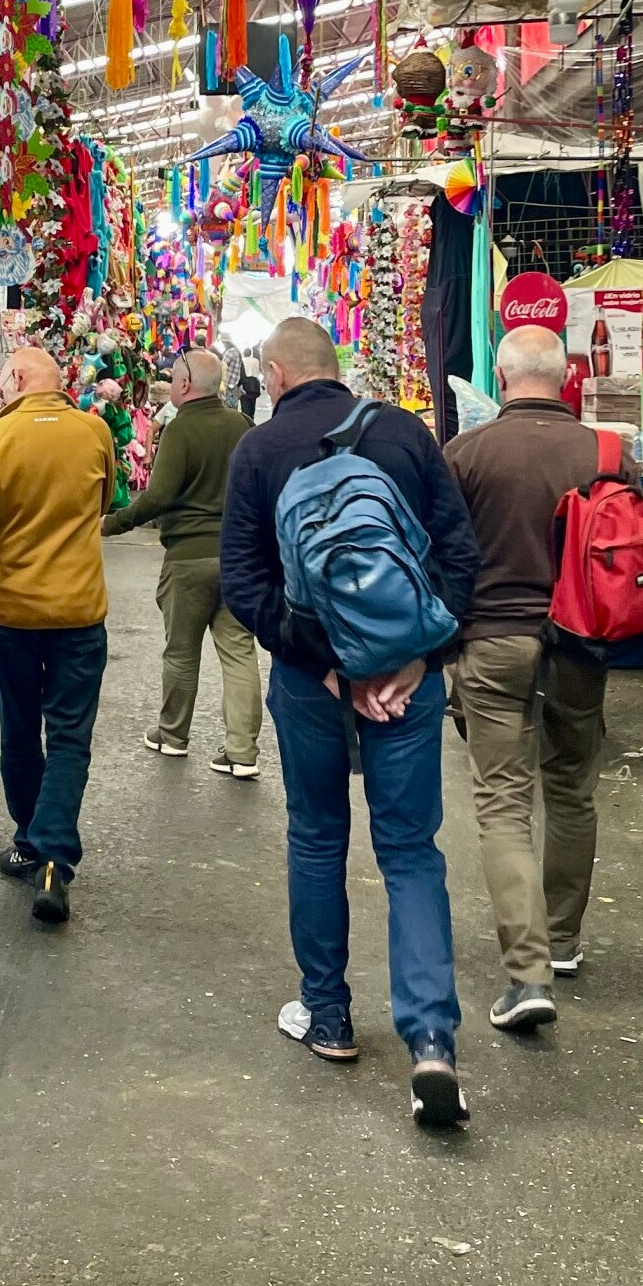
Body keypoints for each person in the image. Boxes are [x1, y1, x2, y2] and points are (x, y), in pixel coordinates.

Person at [220, 318, 481, 1128]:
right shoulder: (404, 435)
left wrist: (328, 665)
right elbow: (459, 557)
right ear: (336, 369)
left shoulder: (258, 451)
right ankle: (431, 1040)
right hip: (409, 681)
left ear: (275, 374)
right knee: (410, 852)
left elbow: (244, 584)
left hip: (311, 683)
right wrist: (419, 662)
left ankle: (327, 1015)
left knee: (316, 837)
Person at [444, 324, 614, 1035]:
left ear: (502, 378)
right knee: (571, 789)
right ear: (568, 374)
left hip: (493, 643)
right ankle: (565, 939)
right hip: (580, 645)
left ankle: (528, 973)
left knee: (504, 803)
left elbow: (442, 558)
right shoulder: (606, 453)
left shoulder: (465, 454)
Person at [0, 346, 114, 927]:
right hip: (80, 612)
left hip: (15, 616)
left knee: (19, 732)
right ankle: (53, 860)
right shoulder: (94, 432)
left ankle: (30, 841)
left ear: (17, 377)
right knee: (70, 738)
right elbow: (102, 505)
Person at [102, 349, 262, 774]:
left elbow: (159, 495)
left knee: (181, 652)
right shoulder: (242, 425)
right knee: (239, 652)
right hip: (236, 558)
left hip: (189, 559)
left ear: (186, 384)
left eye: (173, 378)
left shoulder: (180, 429)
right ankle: (242, 752)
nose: (170, 384)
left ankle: (173, 735)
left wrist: (113, 523)